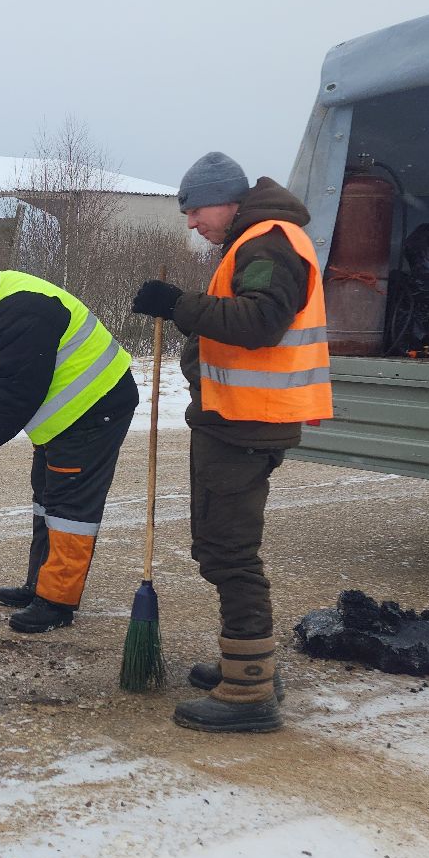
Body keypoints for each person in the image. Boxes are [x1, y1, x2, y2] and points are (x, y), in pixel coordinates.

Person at [131, 151, 332, 734]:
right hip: (237, 418)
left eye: (195, 210)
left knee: (228, 550)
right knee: (223, 544)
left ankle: (249, 693)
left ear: (226, 200)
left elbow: (257, 322)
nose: (192, 223)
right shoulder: (255, 240)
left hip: (247, 423)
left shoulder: (267, 241)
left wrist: (178, 307)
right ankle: (250, 660)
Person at [0, 261, 138, 634]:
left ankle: (56, 602)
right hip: (67, 420)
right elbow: (3, 357)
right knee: (47, 499)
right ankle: (40, 585)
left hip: (95, 411)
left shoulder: (20, 309)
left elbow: (16, 397)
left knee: (69, 510)